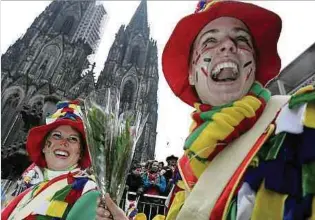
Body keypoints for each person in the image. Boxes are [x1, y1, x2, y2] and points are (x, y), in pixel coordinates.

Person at [162, 0, 315, 219]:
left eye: (241, 39)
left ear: (253, 63)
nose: (228, 46)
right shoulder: (187, 164)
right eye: (210, 40)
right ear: (191, 74)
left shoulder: (301, 116)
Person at [1, 100, 127, 220]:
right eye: (57, 135)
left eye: (73, 139)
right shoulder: (30, 184)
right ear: (44, 147)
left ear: (80, 153)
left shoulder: (86, 190)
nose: (63, 142)